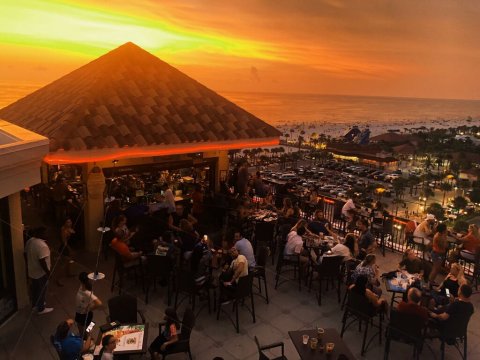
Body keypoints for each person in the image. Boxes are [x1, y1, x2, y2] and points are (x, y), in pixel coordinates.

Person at [25, 226, 54, 314]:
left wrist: (28, 265)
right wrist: (48, 273)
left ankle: (35, 305)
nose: (47, 234)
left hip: (32, 271)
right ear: (41, 234)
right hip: (41, 273)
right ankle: (41, 309)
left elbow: (25, 254)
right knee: (42, 290)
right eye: (46, 233)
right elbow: (42, 261)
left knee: (35, 289)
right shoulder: (42, 245)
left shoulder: (30, 241)